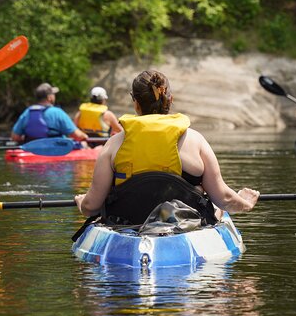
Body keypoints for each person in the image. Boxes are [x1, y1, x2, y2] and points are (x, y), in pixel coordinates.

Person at [74, 70, 259, 227]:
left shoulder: (113, 144)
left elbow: (92, 206)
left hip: (127, 224)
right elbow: (223, 199)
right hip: (184, 226)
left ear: (136, 103)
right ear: (170, 100)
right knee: (217, 208)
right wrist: (245, 203)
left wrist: (83, 203)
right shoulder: (195, 140)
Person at [11, 82, 89, 143]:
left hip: (31, 149)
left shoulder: (27, 112)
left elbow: (15, 137)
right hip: (55, 151)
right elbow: (77, 136)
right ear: (49, 97)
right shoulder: (57, 112)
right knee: (84, 144)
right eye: (53, 94)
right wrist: (85, 136)